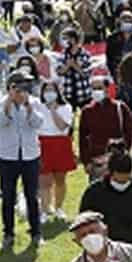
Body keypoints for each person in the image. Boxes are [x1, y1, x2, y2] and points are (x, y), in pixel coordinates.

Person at [0, 72, 44, 248]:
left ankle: (36, 232)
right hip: (7, 157)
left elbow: (38, 123)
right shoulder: (0, 102)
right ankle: (8, 233)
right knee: (8, 196)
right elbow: (0, 121)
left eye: (25, 88)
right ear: (10, 88)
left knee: (32, 195)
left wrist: (28, 106)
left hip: (30, 155)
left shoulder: (35, 102)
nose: (22, 92)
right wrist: (9, 101)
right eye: (18, 88)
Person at [80, 148, 132, 254]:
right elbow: (83, 226)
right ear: (110, 173)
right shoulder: (93, 192)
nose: (122, 183)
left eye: (126, 180)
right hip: (102, 251)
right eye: (118, 180)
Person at [79, 76, 132, 180]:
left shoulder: (120, 107)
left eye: (99, 88)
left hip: (118, 161)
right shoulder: (86, 111)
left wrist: (122, 154)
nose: (96, 91)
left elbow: (129, 133)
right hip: (96, 163)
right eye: (93, 88)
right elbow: (82, 138)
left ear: (107, 88)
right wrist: (86, 161)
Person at [37, 80, 75, 222]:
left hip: (61, 143)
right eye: (46, 90)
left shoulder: (66, 107)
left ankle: (58, 207)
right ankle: (45, 210)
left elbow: (62, 127)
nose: (49, 93)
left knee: (60, 179)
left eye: (52, 90)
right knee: (44, 181)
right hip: (43, 143)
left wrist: (53, 110)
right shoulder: (38, 107)